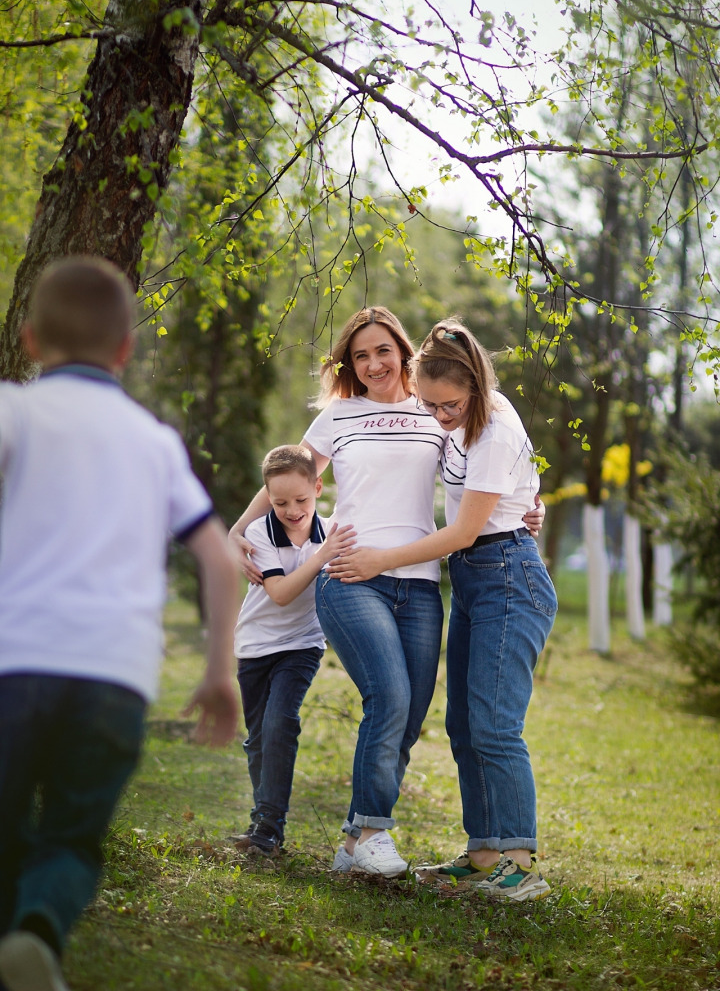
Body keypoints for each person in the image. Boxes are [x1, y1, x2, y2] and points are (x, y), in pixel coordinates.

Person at [229, 306, 543, 879]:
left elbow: (486, 473)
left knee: (411, 711)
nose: (373, 364)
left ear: (405, 352)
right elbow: (289, 475)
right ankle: (374, 831)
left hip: (420, 583)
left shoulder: (437, 408)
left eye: (382, 351)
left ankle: (354, 843)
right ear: (349, 364)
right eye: (359, 355)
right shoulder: (339, 416)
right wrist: (238, 528)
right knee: (390, 696)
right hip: (351, 572)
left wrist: (527, 507)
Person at [0, 256, 239, 991]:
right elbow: (221, 559)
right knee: (73, 836)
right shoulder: (154, 441)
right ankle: (39, 928)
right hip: (114, 677)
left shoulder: (14, 410)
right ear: (126, 350)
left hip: (16, 661)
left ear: (32, 340)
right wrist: (219, 674)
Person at [329, 318, 557, 901]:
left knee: (495, 724)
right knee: (463, 722)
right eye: (428, 404)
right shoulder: (465, 419)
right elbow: (519, 490)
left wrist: (380, 560)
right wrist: (532, 501)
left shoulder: (494, 428)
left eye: (448, 404)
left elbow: (462, 532)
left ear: (476, 387)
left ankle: (519, 861)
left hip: (508, 575)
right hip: (478, 580)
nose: (438, 415)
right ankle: (483, 852)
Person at [232, 444, 354, 855]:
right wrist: (321, 557)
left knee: (281, 722)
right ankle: (261, 820)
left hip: (302, 645)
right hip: (254, 646)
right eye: (280, 501)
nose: (292, 509)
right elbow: (280, 593)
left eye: (301, 499)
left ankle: (269, 828)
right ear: (268, 498)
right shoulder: (258, 533)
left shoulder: (332, 530)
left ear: (319, 487)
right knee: (257, 739)